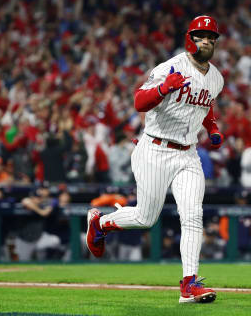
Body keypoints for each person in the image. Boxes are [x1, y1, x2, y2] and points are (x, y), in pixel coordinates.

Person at [86, 16, 224, 304]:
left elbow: (205, 103)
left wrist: (212, 128)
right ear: (190, 38)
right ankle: (101, 224)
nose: (207, 41)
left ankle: (189, 285)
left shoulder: (216, 78)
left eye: (211, 37)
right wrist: (164, 88)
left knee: (193, 215)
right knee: (146, 217)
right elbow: (139, 101)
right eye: (201, 36)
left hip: (188, 153)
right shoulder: (170, 67)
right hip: (155, 149)